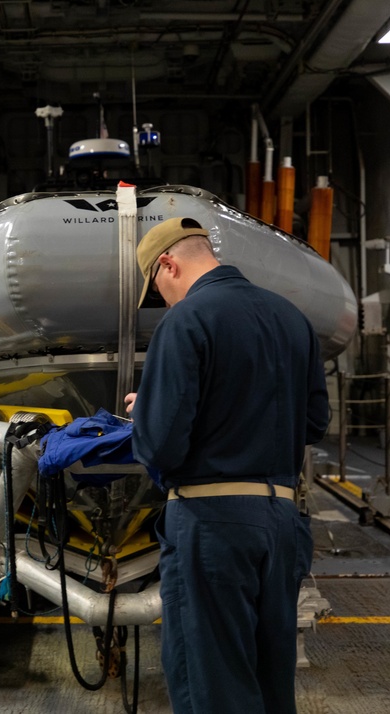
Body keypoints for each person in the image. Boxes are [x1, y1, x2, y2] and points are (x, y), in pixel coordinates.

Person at [124, 216, 329, 714]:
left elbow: (163, 445)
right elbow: (315, 422)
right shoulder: (290, 317)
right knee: (268, 678)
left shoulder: (187, 319)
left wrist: (146, 411)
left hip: (212, 523)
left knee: (212, 680)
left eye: (158, 287)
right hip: (281, 523)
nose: (164, 301)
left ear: (167, 264)